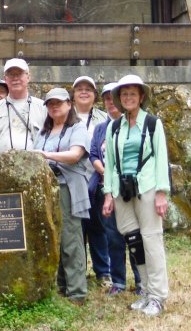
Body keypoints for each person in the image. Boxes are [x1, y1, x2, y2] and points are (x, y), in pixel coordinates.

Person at [102, 75, 170, 317]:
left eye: (133, 93)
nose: (128, 97)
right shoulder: (114, 127)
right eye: (124, 94)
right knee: (134, 242)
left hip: (147, 187)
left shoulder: (152, 123)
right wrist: (108, 194)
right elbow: (110, 163)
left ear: (141, 97)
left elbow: (161, 157)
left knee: (151, 240)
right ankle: (145, 290)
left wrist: (161, 192)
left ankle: (158, 296)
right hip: (122, 190)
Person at [33, 88, 90, 303]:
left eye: (58, 102)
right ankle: (61, 286)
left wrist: (46, 155)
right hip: (48, 189)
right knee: (53, 237)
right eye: (50, 103)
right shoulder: (43, 132)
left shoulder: (77, 127)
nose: (54, 106)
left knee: (71, 239)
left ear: (69, 104)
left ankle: (77, 292)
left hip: (68, 188)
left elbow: (75, 155)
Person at [90, 82, 141, 295]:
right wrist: (106, 173)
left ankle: (140, 280)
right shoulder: (101, 128)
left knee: (135, 236)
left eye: (113, 98)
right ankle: (118, 281)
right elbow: (94, 154)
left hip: (132, 189)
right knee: (112, 237)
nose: (110, 102)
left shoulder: (135, 124)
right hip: (107, 189)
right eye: (106, 98)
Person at [72, 76, 111, 287]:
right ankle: (78, 273)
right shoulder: (66, 116)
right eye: (79, 89)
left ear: (95, 95)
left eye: (88, 89)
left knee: (98, 227)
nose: (84, 92)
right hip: (73, 179)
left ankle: (103, 272)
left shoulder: (104, 118)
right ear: (73, 95)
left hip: (97, 180)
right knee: (76, 229)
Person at [0, 58, 45, 164]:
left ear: (28, 77)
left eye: (19, 74)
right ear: (5, 79)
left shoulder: (42, 107)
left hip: (34, 170)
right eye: (11, 74)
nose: (15, 78)